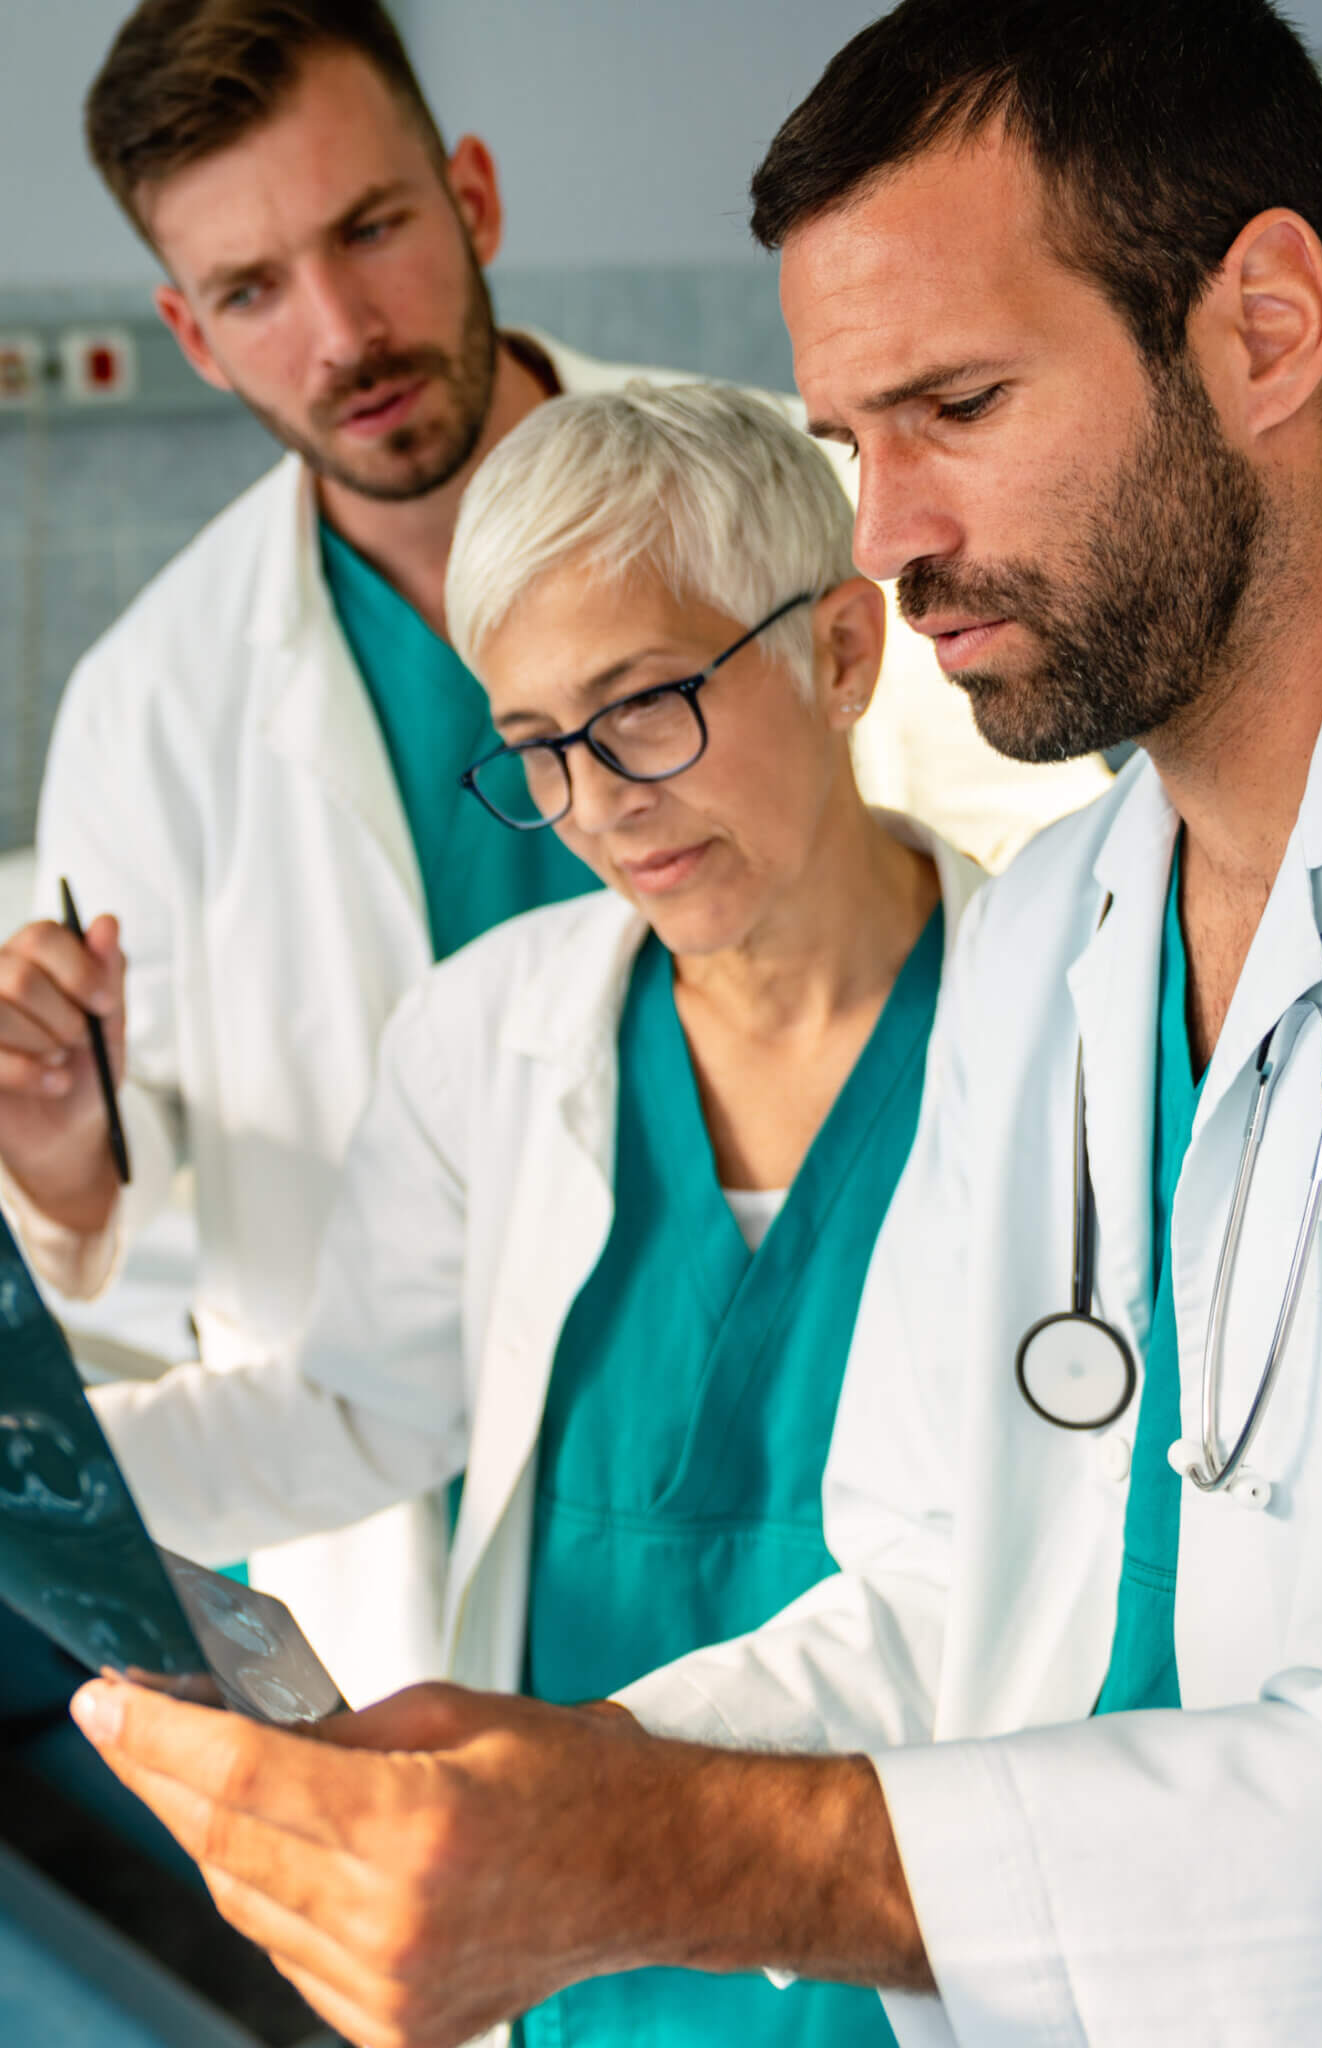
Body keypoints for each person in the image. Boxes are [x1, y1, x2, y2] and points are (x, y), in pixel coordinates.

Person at [71, 0, 1322, 2042]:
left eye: (958, 403)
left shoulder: (986, 971)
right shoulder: (1065, 950)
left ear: (1269, 330)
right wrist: (546, 1787)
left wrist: (654, 1849)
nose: (886, 535)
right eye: (853, 443)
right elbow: (930, 1591)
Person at [0, 0, 1105, 1704]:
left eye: (370, 229)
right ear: (190, 334)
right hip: (445, 1627)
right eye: (251, 289)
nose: (342, 329)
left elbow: (1053, 866)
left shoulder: (827, 504)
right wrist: (71, 1175)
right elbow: (252, 1335)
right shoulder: (159, 713)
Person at [86, 379, 981, 2048]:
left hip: (909, 1948)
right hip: (565, 1950)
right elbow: (360, 1410)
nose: (601, 802)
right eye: (538, 751)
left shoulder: (1052, 1043)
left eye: (646, 708)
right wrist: (45, 1466)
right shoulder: (486, 1038)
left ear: (846, 656)